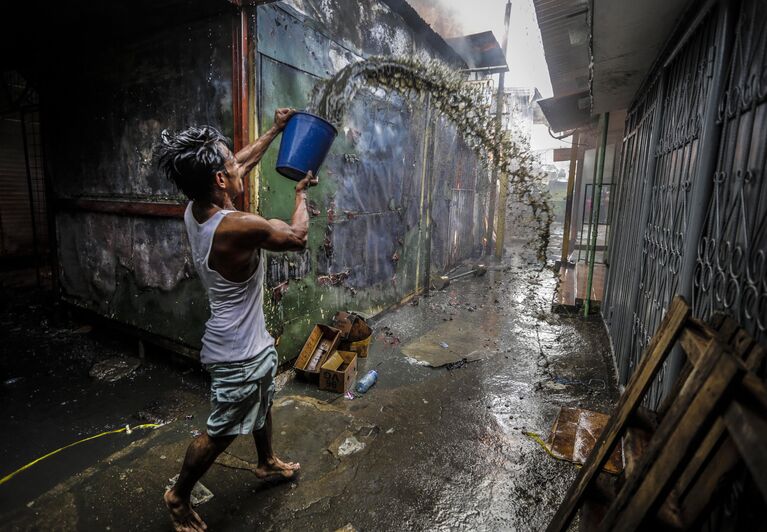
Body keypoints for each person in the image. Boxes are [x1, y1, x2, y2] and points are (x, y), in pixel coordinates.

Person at [157, 108, 316, 532]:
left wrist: (276, 130)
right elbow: (297, 238)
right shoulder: (236, 226)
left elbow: (243, 162)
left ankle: (265, 462)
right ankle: (178, 495)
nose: (239, 163)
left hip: (248, 340)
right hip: (236, 352)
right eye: (230, 164)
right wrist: (301, 196)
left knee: (263, 400)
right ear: (220, 181)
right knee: (221, 432)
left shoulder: (196, 208)